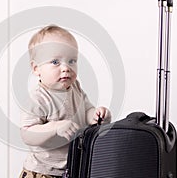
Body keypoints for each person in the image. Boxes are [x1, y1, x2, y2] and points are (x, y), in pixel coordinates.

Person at [19, 25, 111, 178]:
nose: (66, 68)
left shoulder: (75, 87)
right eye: (55, 62)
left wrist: (95, 115)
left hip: (73, 168)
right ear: (36, 69)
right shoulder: (38, 98)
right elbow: (27, 133)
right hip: (43, 172)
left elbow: (86, 110)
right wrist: (54, 127)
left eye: (72, 61)